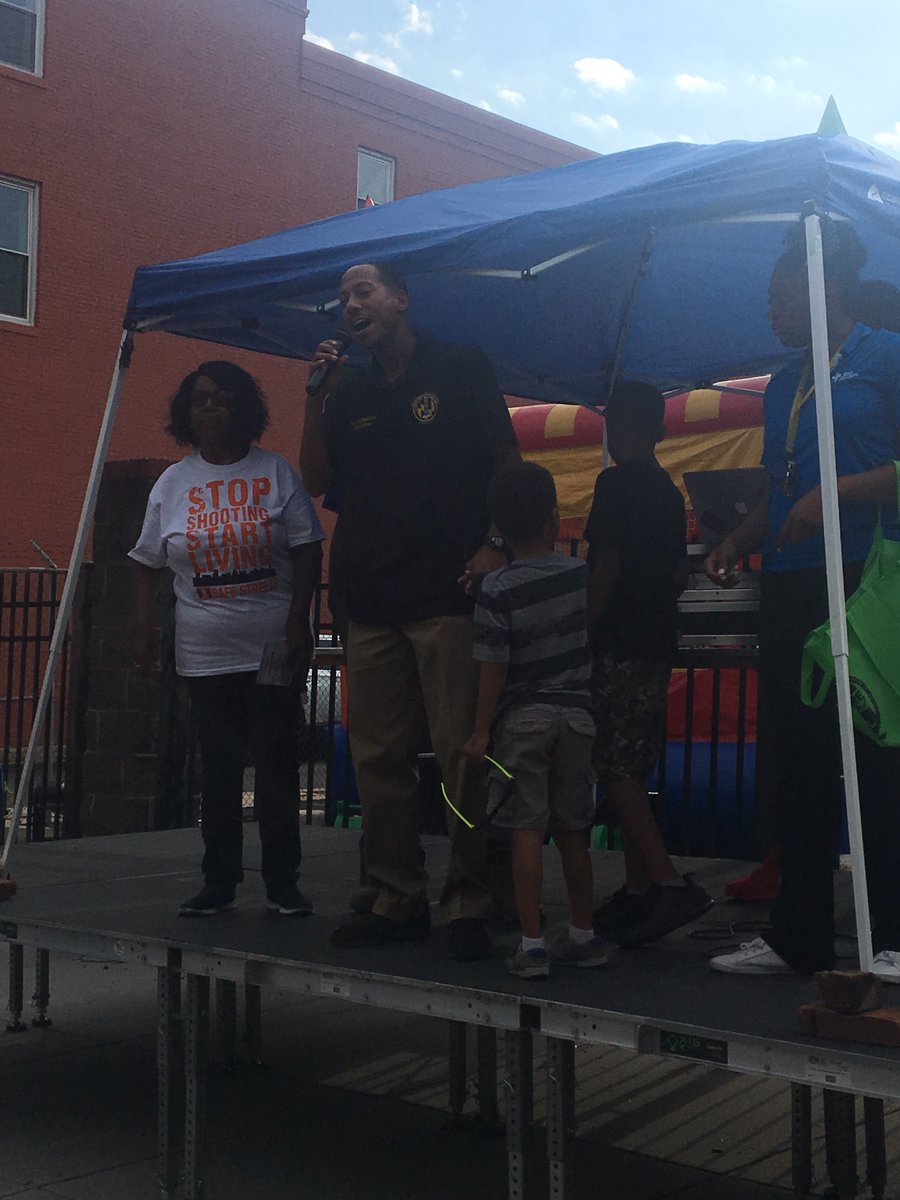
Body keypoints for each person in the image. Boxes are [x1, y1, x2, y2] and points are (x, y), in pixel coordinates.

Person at [299, 262, 520, 960]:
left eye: (362, 290)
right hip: (368, 598)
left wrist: (494, 544)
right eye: (342, 298)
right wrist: (316, 396)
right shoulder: (350, 387)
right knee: (378, 757)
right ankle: (396, 897)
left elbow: (507, 462)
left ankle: (471, 901)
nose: (350, 303)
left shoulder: (459, 367)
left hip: (446, 594)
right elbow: (317, 478)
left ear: (400, 298)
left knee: (462, 754)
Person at [706, 216, 900, 980]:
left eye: (782, 295)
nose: (770, 310)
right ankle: (799, 937)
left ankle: (891, 939)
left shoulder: (888, 358)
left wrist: (839, 493)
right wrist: (737, 540)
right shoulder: (783, 382)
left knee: (879, 756)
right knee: (801, 760)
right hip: (791, 580)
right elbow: (781, 486)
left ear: (826, 292)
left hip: (867, 579)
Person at [131, 361, 324, 916]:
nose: (209, 407)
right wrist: (143, 630)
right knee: (217, 768)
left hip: (272, 648)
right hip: (204, 652)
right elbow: (146, 562)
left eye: (221, 397)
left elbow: (308, 547)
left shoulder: (277, 472)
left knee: (276, 762)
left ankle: (283, 881)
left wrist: (298, 621)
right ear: (185, 414)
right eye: (198, 400)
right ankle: (219, 881)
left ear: (244, 407)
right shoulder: (173, 483)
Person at [463, 461, 607, 979]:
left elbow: (493, 665)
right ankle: (585, 935)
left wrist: (480, 732)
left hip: (524, 717)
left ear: (496, 525)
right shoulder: (577, 573)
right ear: (553, 516)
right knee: (573, 829)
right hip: (577, 715)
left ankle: (531, 944)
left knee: (525, 829)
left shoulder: (496, 589)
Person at [586, 382, 712, 946]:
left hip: (618, 641)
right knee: (633, 765)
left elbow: (606, 566)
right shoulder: (668, 491)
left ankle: (665, 880)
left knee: (612, 763)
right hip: (657, 640)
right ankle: (638, 889)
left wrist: (577, 629)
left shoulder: (614, 484)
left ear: (624, 427)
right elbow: (676, 571)